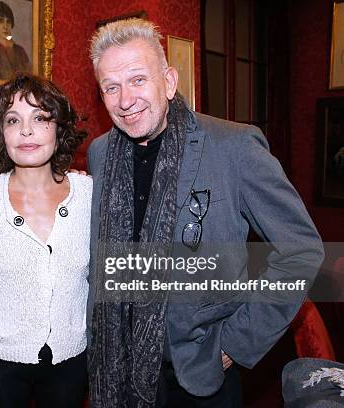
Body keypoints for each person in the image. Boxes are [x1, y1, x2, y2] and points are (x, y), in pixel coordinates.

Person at [86, 18, 324, 407]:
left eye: (138, 80)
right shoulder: (100, 153)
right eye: (111, 87)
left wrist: (234, 343)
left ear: (169, 81)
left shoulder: (233, 147)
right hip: (119, 370)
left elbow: (301, 251)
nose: (125, 99)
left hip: (201, 373)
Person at [0, 73, 90, 407]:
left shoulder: (89, 195)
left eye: (40, 117)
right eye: (13, 120)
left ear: (59, 129)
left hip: (72, 357)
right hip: (0, 362)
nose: (26, 131)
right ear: (0, 132)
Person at [0, 1, 30, 80]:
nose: (5, 26)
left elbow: (28, 79)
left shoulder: (20, 50)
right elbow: (1, 78)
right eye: (1, 21)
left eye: (8, 21)